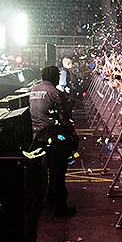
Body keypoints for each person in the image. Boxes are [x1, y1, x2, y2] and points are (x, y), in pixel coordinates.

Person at [29, 66, 77, 216]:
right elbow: (64, 118)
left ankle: (49, 201)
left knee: (47, 172)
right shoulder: (55, 92)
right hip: (55, 137)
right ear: (55, 77)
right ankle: (60, 208)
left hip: (37, 136)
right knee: (58, 172)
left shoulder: (33, 89)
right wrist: (73, 135)